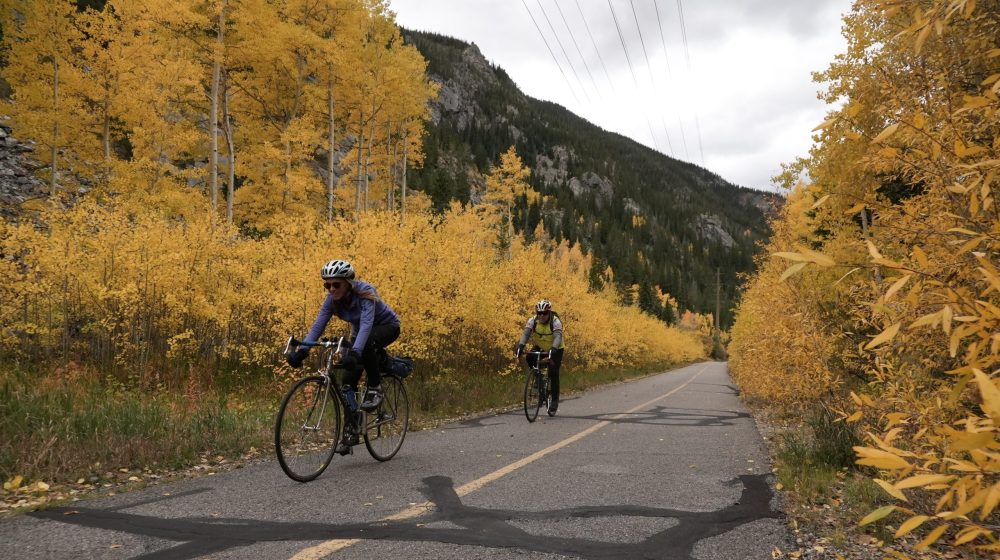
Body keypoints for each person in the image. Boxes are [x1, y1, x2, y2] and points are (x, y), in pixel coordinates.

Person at [286, 259, 401, 453]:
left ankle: (375, 387)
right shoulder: (331, 301)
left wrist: (355, 352)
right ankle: (352, 429)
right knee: (347, 381)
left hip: (387, 327)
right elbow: (318, 326)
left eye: (336, 284)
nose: (331, 289)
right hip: (361, 334)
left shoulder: (365, 293)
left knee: (365, 346)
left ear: (348, 283)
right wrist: (303, 351)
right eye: (327, 285)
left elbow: (366, 324)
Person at [514, 299, 565, 415]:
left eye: (545, 313)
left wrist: (553, 349)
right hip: (540, 346)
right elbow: (526, 334)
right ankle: (539, 378)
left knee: (553, 372)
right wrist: (520, 346)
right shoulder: (533, 321)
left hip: (556, 347)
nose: (542, 316)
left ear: (549, 312)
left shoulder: (555, 321)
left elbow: (558, 337)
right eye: (539, 313)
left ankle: (554, 401)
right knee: (529, 357)